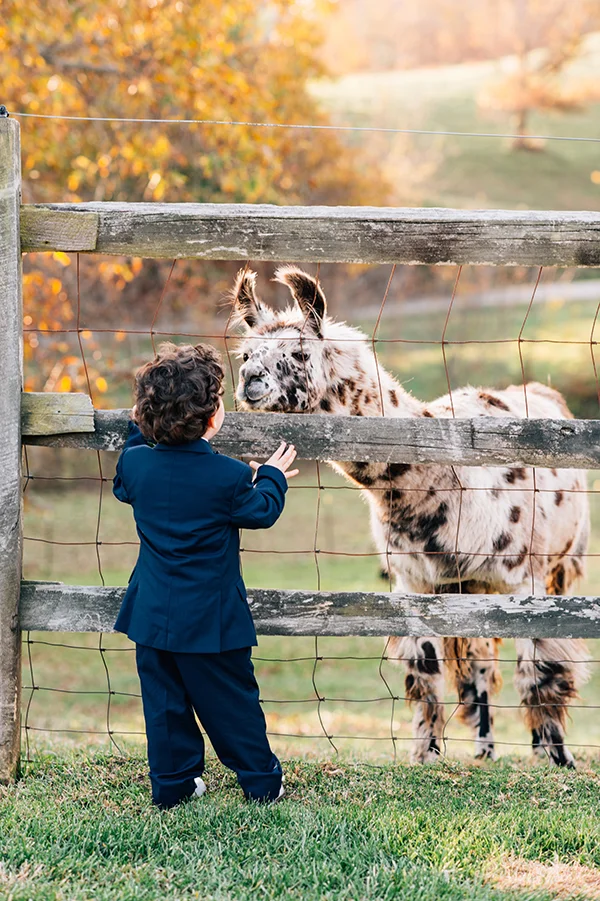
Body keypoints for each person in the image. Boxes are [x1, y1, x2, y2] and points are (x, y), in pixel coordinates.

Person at [112, 341, 298, 809]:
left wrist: (142, 427)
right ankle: (261, 782)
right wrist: (272, 476)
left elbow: (124, 483)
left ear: (146, 412)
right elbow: (262, 512)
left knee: (165, 705)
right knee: (231, 705)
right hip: (212, 625)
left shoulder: (134, 465)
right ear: (213, 417)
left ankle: (173, 787)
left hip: (152, 618)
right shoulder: (230, 478)